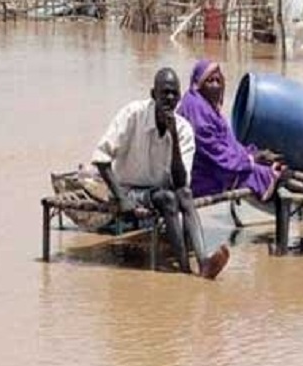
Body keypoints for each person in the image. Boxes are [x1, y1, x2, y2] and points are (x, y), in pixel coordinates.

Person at [91, 67, 230, 279]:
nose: (169, 98)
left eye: (174, 94)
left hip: (160, 189)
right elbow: (101, 158)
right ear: (153, 94)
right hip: (129, 189)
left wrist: (173, 137)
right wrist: (121, 198)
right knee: (168, 199)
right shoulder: (133, 115)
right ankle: (185, 269)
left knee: (184, 194)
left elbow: (181, 182)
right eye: (164, 93)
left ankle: (203, 262)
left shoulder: (183, 129)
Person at [176, 59, 303, 201]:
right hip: (204, 177)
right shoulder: (197, 111)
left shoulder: (203, 106)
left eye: (218, 81)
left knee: (265, 162)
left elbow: (226, 144)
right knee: (263, 172)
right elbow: (216, 153)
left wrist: (251, 154)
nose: (215, 86)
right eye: (210, 81)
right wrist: (250, 159)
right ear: (199, 84)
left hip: (213, 167)